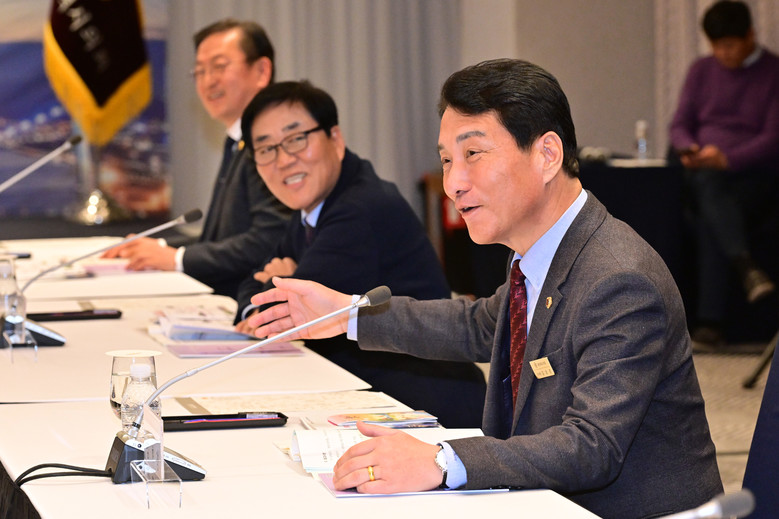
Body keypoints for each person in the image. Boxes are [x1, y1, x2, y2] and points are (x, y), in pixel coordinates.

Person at [248, 59, 723, 519]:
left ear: (547, 155)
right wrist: (345, 313)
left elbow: (592, 445)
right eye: (446, 160)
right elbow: (479, 325)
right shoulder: (539, 252)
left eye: (473, 154)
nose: (453, 183)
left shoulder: (619, 278)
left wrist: (441, 460)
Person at [234, 80, 486, 428]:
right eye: (266, 149)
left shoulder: (361, 207)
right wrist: (276, 282)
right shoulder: (313, 205)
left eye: (296, 139)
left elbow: (282, 313)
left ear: (335, 139)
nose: (284, 160)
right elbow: (254, 286)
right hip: (364, 396)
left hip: (424, 408)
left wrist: (276, 282)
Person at [102, 19, 291, 299]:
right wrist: (159, 247)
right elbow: (220, 239)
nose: (208, 80)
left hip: (251, 303)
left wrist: (177, 258)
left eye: (219, 66)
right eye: (200, 71)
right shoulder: (238, 139)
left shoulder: (272, 144)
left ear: (262, 71)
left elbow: (268, 241)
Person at [669, 0, 779, 347]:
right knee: (707, 186)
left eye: (729, 45)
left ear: (750, 36)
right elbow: (679, 124)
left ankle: (710, 324)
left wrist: (728, 159)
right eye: (716, 45)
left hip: (752, 179)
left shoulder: (773, 73)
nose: (722, 53)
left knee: (710, 209)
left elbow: (773, 138)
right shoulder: (701, 70)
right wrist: (688, 147)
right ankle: (745, 268)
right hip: (704, 171)